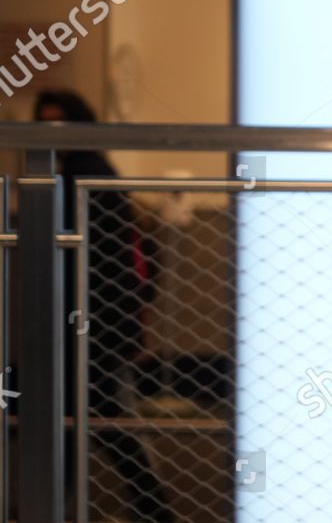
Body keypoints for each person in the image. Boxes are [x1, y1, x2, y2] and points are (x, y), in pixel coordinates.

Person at [33, 89, 174, 523]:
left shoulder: (80, 174)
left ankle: (144, 504)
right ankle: (140, 504)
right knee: (90, 414)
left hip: (88, 321)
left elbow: (109, 259)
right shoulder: (90, 171)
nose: (50, 133)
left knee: (90, 414)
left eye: (58, 123)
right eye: (44, 125)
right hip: (96, 320)